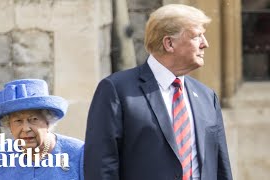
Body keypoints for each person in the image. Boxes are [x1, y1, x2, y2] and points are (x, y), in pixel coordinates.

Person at [84, 4, 232, 180]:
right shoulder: (117, 90)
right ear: (169, 43)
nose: (205, 44)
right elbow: (101, 167)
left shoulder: (208, 97)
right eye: (197, 36)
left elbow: (221, 168)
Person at [0, 79, 84, 180]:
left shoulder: (78, 153)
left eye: (33, 119)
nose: (26, 128)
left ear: (48, 121)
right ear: (9, 126)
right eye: (18, 121)